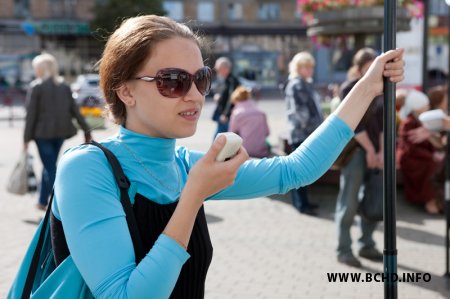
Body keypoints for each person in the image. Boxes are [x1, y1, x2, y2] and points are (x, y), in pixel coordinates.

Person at [50, 15, 404, 298]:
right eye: (172, 81)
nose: (193, 95)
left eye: (200, 79)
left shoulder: (185, 165)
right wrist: (193, 196)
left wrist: (369, 86)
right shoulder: (86, 168)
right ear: (125, 90)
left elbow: (296, 170)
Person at [335, 48, 385, 268]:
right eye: (372, 62)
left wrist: (382, 152)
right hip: (356, 152)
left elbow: (384, 125)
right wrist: (372, 151)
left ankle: (367, 244)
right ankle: (344, 249)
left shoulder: (382, 89)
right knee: (349, 200)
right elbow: (354, 125)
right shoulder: (350, 88)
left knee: (373, 198)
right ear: (362, 65)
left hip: (376, 151)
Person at [23, 53, 92, 211]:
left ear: (41, 69)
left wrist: (26, 140)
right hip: (61, 133)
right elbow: (75, 111)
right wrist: (86, 130)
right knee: (50, 165)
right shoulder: (64, 87)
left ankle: (61, 201)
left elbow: (30, 115)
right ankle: (42, 201)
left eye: (36, 68)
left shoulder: (37, 87)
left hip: (42, 135)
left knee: (51, 167)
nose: (35, 71)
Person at [284, 51, 323, 216]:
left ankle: (303, 203)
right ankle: (301, 204)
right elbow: (301, 113)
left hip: (303, 133)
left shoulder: (302, 83)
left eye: (311, 67)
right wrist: (317, 127)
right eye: (307, 66)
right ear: (298, 67)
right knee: (300, 172)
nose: (310, 70)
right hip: (302, 134)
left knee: (302, 171)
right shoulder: (297, 84)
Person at [397, 89, 444, 214]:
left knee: (438, 166)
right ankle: (430, 200)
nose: (428, 107)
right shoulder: (409, 122)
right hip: (412, 159)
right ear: (417, 108)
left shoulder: (421, 121)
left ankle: (437, 201)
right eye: (425, 105)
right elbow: (411, 149)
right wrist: (432, 155)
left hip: (421, 157)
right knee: (433, 167)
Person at [229, 86, 270, 158]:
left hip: (245, 152)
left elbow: (231, 134)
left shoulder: (237, 114)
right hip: (261, 151)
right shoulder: (261, 113)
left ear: (236, 99)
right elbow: (267, 133)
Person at [211, 56, 240, 138]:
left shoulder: (232, 81)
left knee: (219, 138)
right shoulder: (224, 80)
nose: (218, 71)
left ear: (226, 68)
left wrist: (225, 114)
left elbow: (232, 99)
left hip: (227, 116)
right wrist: (217, 96)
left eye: (219, 69)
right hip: (223, 114)